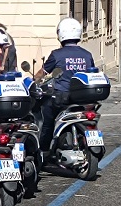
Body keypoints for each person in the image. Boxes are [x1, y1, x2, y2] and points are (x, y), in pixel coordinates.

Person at [34, 17, 95, 158]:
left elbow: (42, 73)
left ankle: (43, 151)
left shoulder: (57, 55)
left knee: (47, 120)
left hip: (61, 97)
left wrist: (32, 81)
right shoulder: (87, 55)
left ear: (60, 34)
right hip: (83, 98)